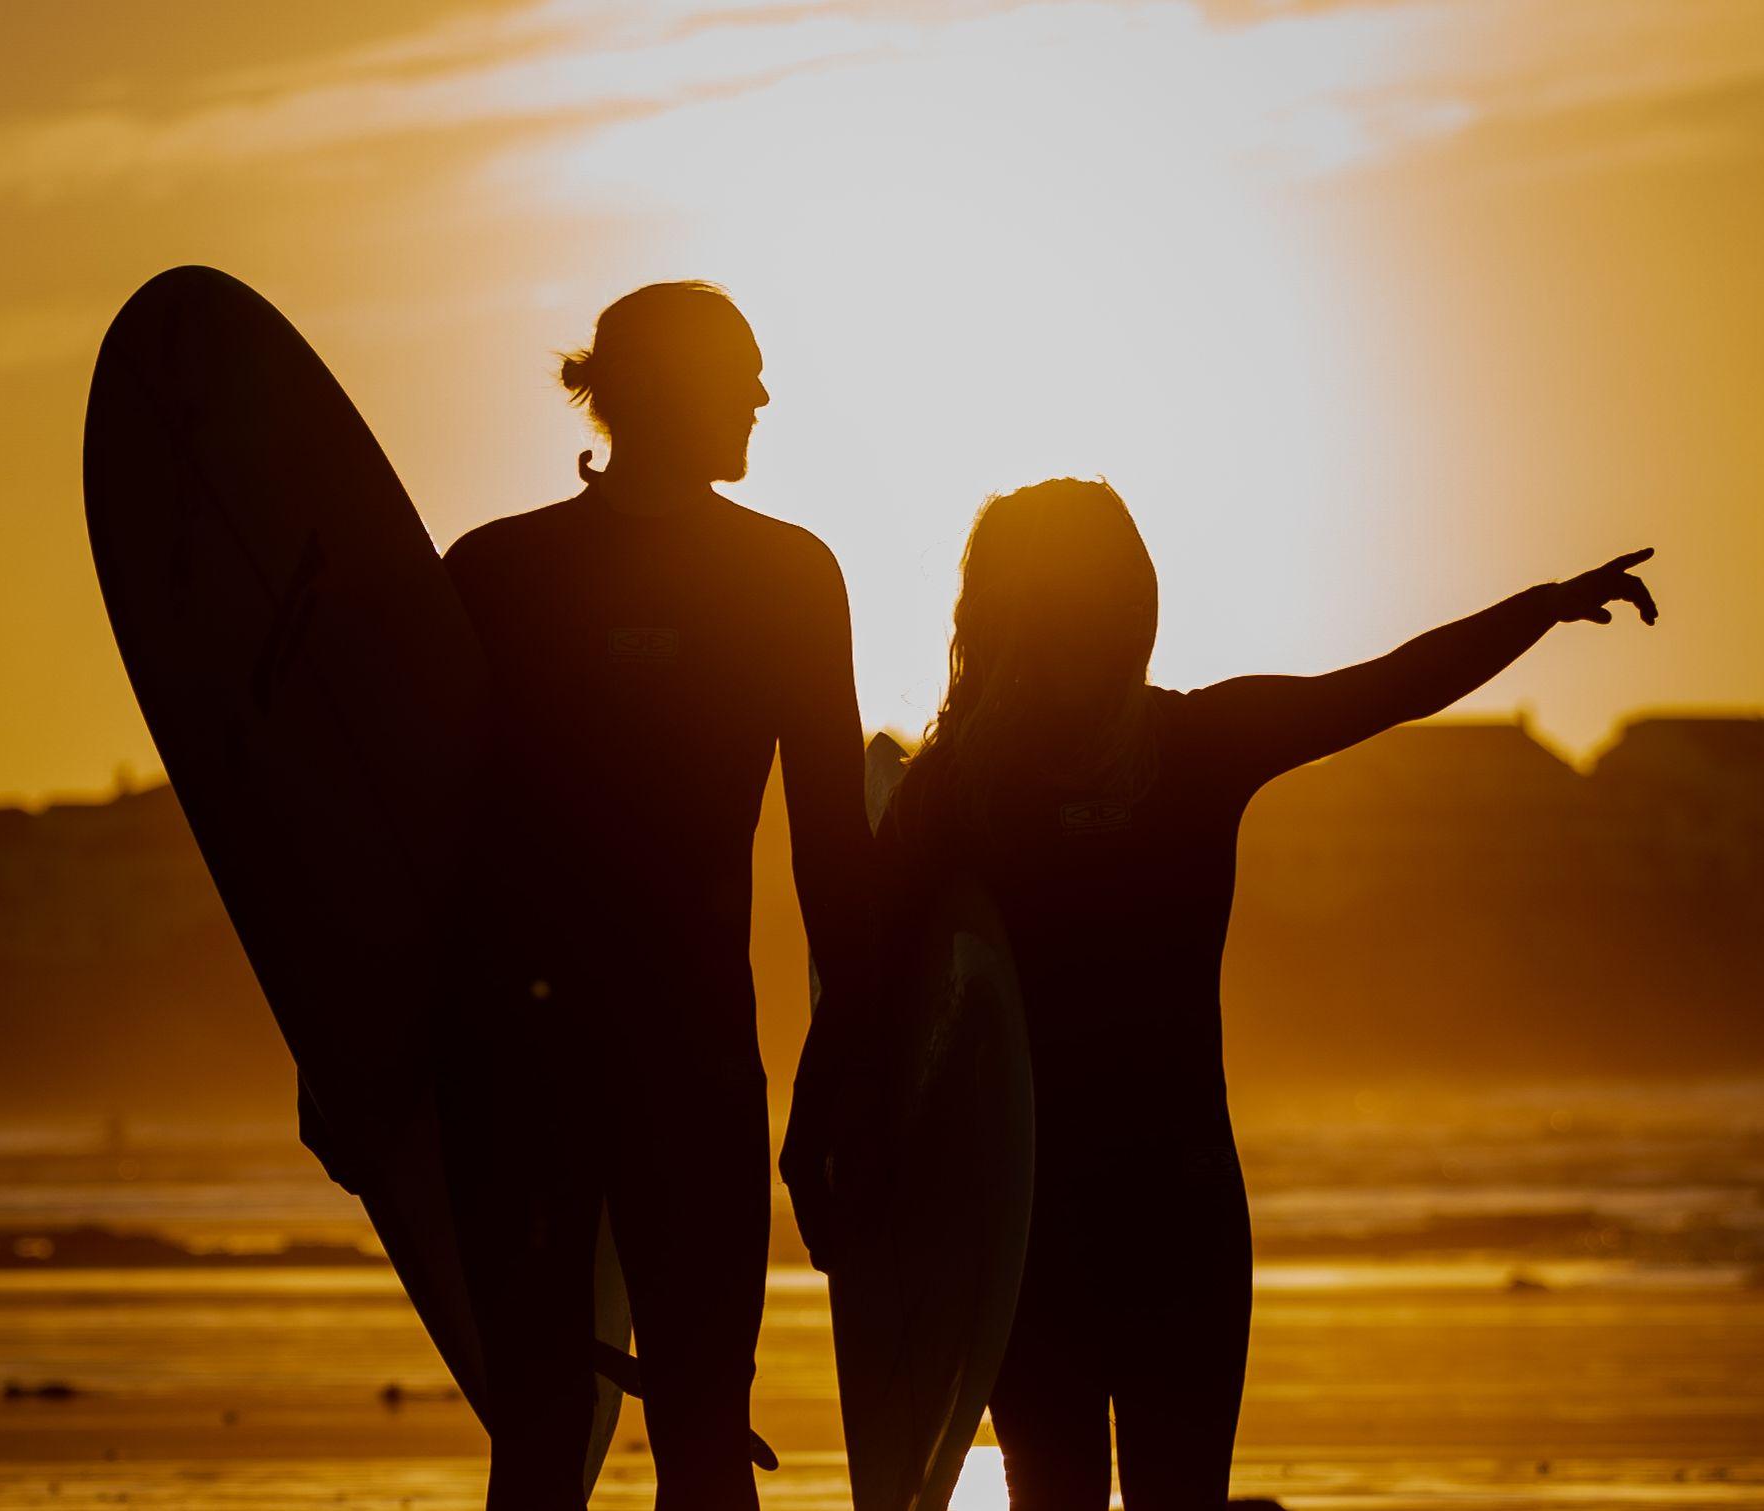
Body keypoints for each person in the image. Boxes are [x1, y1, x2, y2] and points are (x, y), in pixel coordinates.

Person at [877, 478, 1656, 1510]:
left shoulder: (1173, 747)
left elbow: (1386, 686)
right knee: (1056, 1493)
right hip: (1048, 1228)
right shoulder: (961, 792)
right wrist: (843, 1159)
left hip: (1153, 1221)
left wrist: (1540, 606)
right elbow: (876, 998)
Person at [436, 281, 874, 1511]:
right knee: (540, 1423)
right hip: (553, 1067)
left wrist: (836, 1081)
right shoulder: (495, 575)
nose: (762, 394)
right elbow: (421, 830)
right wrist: (354, 1057)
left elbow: (829, 853)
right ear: (675, 389)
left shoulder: (786, 577)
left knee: (693, 1425)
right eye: (742, 370)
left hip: (657, 1065)